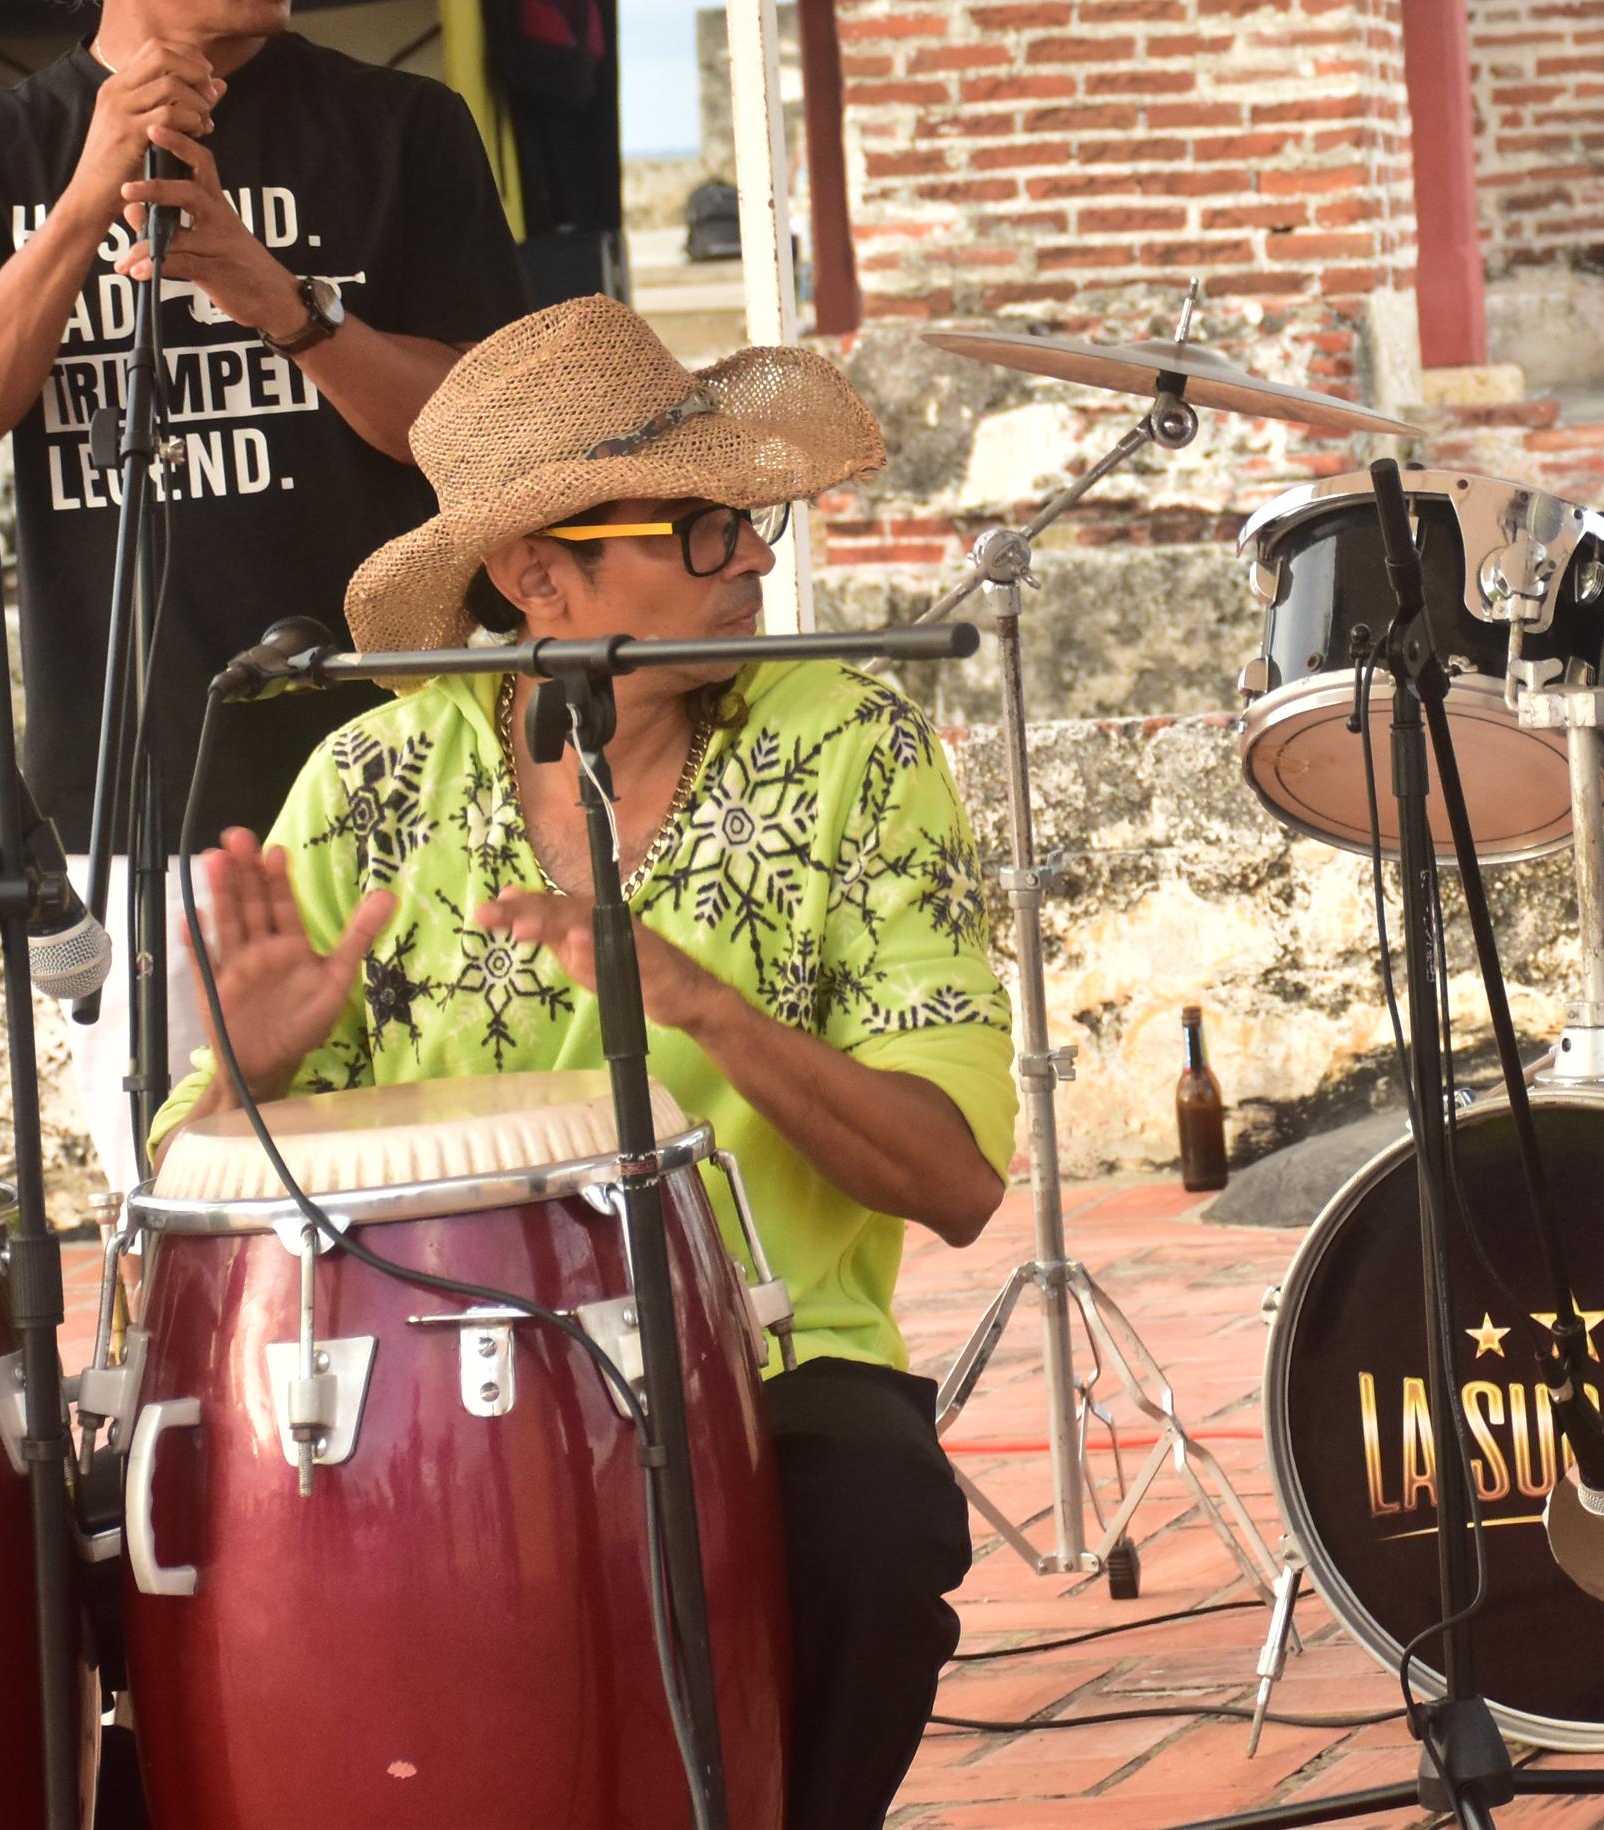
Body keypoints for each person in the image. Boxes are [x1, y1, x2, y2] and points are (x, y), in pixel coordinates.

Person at [157, 297, 1013, 1830]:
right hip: (419, 1388)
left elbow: (953, 1178)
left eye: (749, 519)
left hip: (767, 1357)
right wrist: (251, 1081)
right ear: (537, 574)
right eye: (701, 526)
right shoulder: (367, 779)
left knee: (874, 1530)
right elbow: (181, 1190)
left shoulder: (860, 750)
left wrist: (708, 1010)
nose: (757, 556)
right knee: (143, 1550)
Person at [0, 0, 528, 1170]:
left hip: (394, 773)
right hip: (132, 801)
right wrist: (88, 201)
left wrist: (282, 305)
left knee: (440, 1194)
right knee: (186, 1231)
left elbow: (496, 431)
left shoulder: (403, 128)